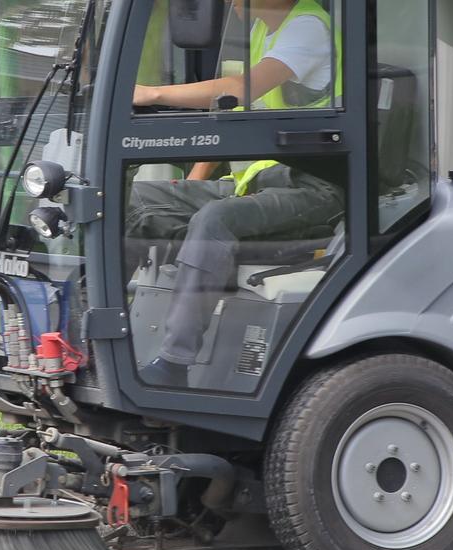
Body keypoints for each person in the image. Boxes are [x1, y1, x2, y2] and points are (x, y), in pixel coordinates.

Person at [128, 0, 342, 387]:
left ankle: (174, 363)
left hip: (317, 188)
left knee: (216, 220)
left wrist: (151, 94)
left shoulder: (308, 26)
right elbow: (233, 113)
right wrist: (194, 180)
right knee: (135, 198)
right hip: (265, 181)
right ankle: (107, 330)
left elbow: (238, 90)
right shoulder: (265, 29)